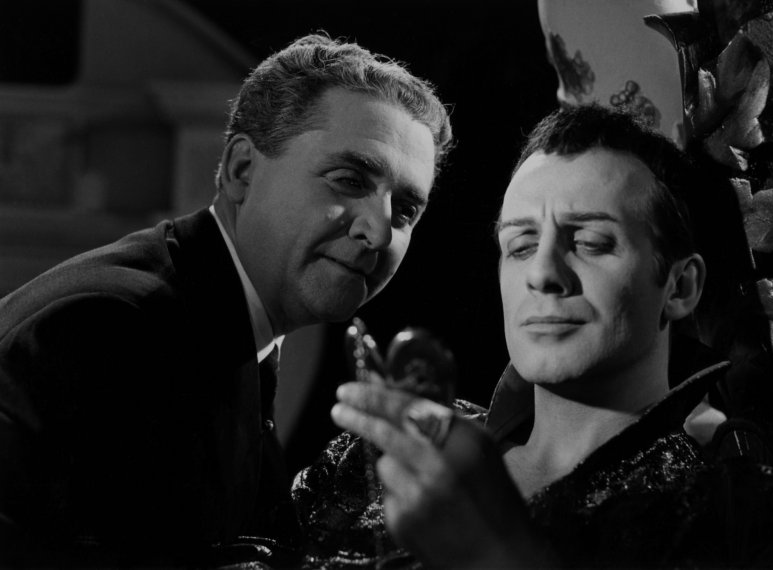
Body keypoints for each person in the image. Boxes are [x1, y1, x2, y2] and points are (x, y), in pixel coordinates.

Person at [0, 34, 451, 567]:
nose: (378, 231)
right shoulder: (114, 330)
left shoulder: (210, 320)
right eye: (349, 180)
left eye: (405, 210)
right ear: (242, 170)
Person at [293, 105, 773, 568]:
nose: (542, 274)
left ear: (680, 287)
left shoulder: (737, 519)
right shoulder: (382, 457)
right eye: (520, 245)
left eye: (591, 242)